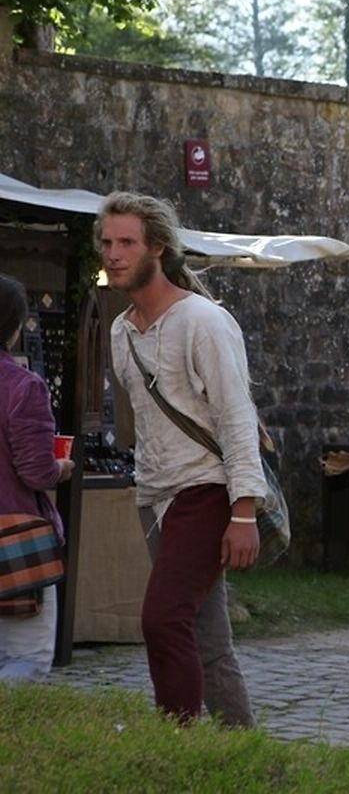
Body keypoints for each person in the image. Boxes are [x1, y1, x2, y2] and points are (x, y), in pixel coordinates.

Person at [99, 191, 264, 726]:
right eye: (107, 242)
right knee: (208, 641)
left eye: (127, 242)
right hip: (155, 498)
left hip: (206, 491)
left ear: (158, 248)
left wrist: (244, 512)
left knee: (163, 620)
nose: (113, 254)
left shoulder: (202, 321)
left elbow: (237, 418)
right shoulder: (122, 330)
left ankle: (176, 746)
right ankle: (242, 751)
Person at [0, 274, 75, 679]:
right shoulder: (23, 387)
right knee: (26, 657)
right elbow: (36, 472)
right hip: (13, 538)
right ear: (13, 328)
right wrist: (61, 467)